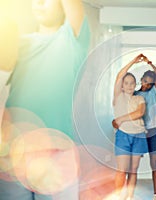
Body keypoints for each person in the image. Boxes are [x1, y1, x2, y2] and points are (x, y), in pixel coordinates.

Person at [1, 0, 90, 199]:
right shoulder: (16, 44)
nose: (39, 2)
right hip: (13, 155)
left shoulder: (72, 39)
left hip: (57, 155)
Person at [112, 54, 148, 200]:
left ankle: (130, 197)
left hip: (139, 135)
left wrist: (120, 118)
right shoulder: (118, 96)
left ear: (135, 85)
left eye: (132, 83)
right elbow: (119, 75)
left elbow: (140, 113)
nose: (129, 86)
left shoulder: (140, 98)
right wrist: (133, 62)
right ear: (122, 85)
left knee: (133, 171)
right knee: (122, 171)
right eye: (126, 83)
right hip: (123, 136)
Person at [135, 54, 156, 200]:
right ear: (141, 80)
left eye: (150, 83)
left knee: (154, 163)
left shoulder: (153, 92)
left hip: (152, 131)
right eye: (145, 81)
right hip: (138, 131)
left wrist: (149, 62)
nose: (147, 84)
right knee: (135, 164)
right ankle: (130, 192)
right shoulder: (135, 94)